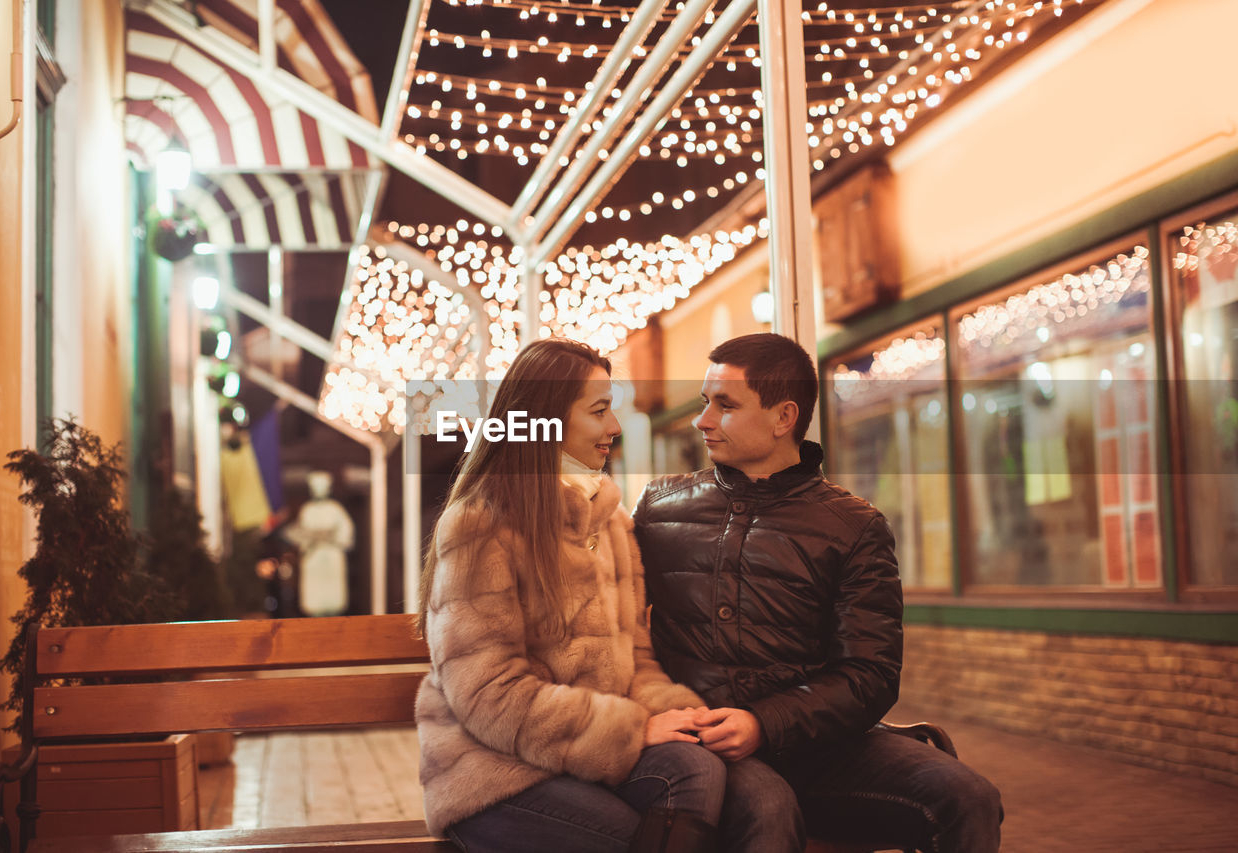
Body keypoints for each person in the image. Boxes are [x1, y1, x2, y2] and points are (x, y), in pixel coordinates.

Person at [633, 333, 1002, 853]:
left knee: (967, 796)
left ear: (784, 418)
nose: (703, 420)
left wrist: (765, 722)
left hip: (821, 747)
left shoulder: (853, 525)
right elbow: (613, 631)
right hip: (702, 743)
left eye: (726, 405)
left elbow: (870, 674)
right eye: (704, 402)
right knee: (768, 807)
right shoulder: (659, 509)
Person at [415, 338, 726, 853]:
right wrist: (627, 732)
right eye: (599, 410)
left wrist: (678, 715)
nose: (615, 428)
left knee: (699, 767)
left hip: (587, 758)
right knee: (632, 835)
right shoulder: (480, 523)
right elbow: (487, 691)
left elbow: (638, 659)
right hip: (494, 772)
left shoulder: (612, 524)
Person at [285, 470, 354, 616]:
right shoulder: (307, 510)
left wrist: (330, 537)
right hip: (314, 556)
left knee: (333, 593)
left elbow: (346, 532)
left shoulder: (335, 509)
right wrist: (310, 537)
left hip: (331, 555)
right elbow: (300, 533)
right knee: (314, 594)